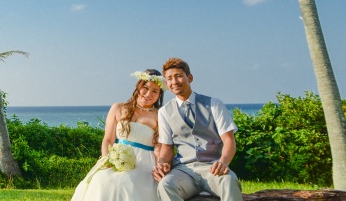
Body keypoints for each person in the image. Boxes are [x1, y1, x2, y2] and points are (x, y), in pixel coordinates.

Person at [152, 57, 243, 201]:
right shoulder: (164, 111)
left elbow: (229, 140)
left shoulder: (214, 104)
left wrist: (224, 162)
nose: (174, 82)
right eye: (169, 78)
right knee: (165, 185)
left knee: (229, 181)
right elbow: (167, 147)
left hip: (214, 168)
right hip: (184, 170)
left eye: (178, 76)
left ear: (190, 77)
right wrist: (161, 162)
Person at [71, 69, 166, 201]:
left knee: (127, 183)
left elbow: (158, 147)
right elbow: (108, 139)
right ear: (138, 86)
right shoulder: (118, 108)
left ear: (159, 94)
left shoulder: (160, 116)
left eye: (155, 91)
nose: (148, 94)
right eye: (145, 88)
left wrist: (159, 166)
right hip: (115, 158)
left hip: (145, 162)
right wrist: (107, 159)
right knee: (102, 181)